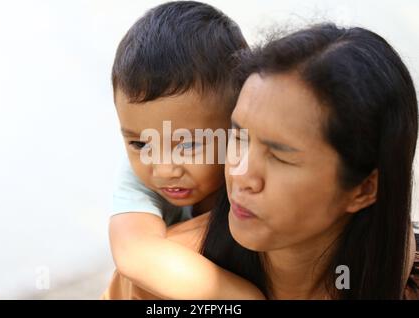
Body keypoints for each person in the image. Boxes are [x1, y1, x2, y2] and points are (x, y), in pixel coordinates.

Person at [103, 23, 419, 299]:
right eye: (239, 138)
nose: (240, 174)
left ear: (363, 189)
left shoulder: (394, 265)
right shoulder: (161, 285)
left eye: (279, 155)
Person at [105, 1, 264, 299]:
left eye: (189, 144)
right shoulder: (136, 178)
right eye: (139, 143)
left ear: (237, 125)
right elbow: (135, 252)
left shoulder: (259, 171)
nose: (164, 169)